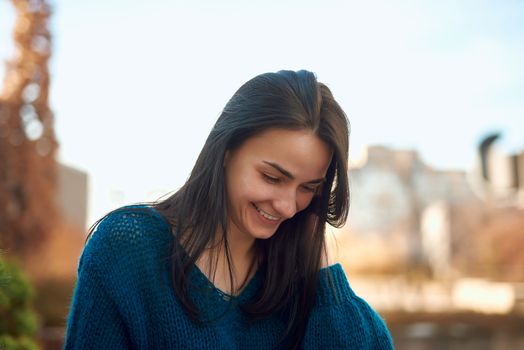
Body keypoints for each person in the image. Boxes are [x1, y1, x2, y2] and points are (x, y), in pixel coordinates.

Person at [64, 70, 394, 349]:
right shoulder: (127, 250)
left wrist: (324, 277)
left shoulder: (303, 283)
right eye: (272, 177)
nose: (287, 206)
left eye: (309, 188)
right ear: (226, 152)